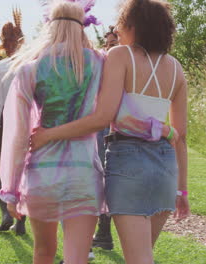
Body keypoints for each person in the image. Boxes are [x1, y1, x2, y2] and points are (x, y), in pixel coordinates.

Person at [30, 0, 191, 263]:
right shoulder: (175, 67)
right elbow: (179, 136)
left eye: (120, 25)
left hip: (128, 161)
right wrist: (182, 191)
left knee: (139, 259)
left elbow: (102, 118)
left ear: (133, 26)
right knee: (144, 254)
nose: (116, 30)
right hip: (166, 168)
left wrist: (48, 134)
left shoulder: (120, 55)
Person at [0, 2, 105, 263]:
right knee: (77, 257)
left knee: (43, 253)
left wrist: (10, 190)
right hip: (84, 174)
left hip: (42, 174)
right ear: (83, 27)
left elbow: (18, 136)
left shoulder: (29, 70)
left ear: (49, 27)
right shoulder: (100, 63)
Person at [0, 13, 26, 235]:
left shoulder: (0, 68)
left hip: (5, 120)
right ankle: (20, 219)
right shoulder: (31, 64)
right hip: (26, 119)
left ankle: (5, 212)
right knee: (23, 169)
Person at [92, 25, 119, 251]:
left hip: (115, 129)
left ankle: (103, 233)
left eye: (114, 44)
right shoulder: (99, 65)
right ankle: (103, 234)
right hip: (98, 127)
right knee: (97, 177)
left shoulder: (124, 67)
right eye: (107, 44)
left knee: (107, 179)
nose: (109, 48)